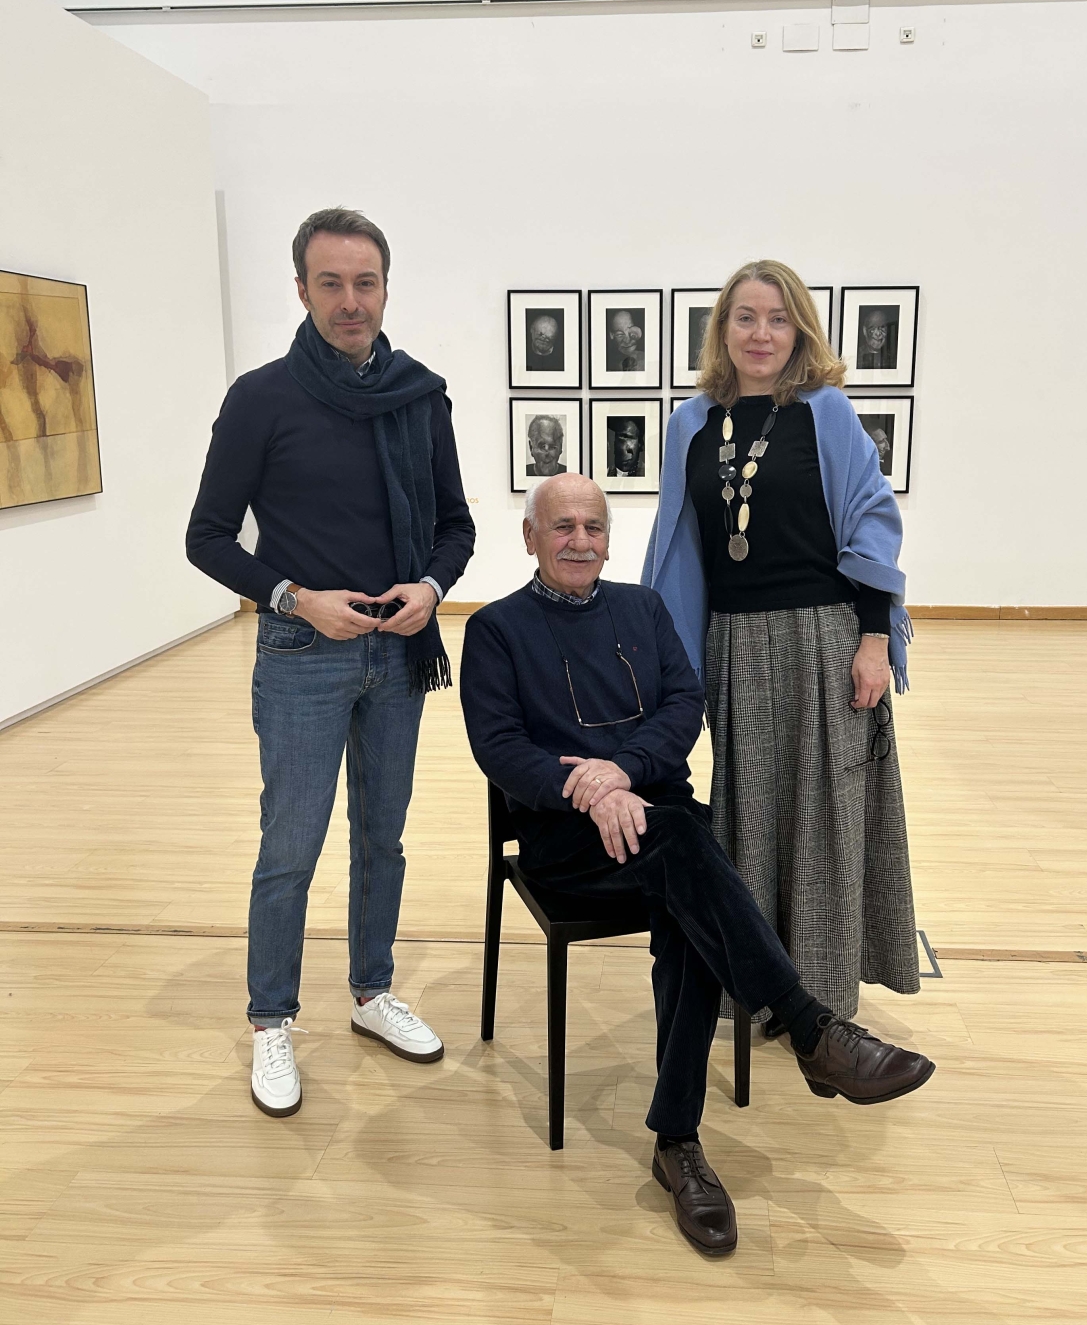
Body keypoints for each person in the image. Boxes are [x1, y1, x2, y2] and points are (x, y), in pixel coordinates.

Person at [460, 473, 933, 1257]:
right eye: (563, 527)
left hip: (660, 822)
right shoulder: (495, 629)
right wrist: (589, 792)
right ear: (531, 537)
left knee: (687, 882)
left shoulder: (642, 609)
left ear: (609, 538)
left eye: (593, 527)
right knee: (690, 849)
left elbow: (686, 705)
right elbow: (500, 747)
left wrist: (623, 772)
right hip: (566, 843)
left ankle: (678, 1141)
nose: (580, 541)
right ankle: (809, 1029)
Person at [186, 206, 475, 1118]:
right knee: (290, 847)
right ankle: (272, 1019)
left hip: (398, 654)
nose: (351, 301)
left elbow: (456, 525)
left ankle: (370, 991)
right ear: (302, 289)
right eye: (331, 283)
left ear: (386, 287)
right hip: (302, 653)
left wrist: (431, 585)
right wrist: (294, 597)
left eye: (366, 282)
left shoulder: (420, 396)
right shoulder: (261, 398)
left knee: (382, 837)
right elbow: (207, 537)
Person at [643, 260, 920, 1027]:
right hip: (732, 644)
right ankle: (760, 988)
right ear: (723, 329)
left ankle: (823, 1003)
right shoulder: (691, 423)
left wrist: (874, 637)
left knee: (826, 816)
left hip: (823, 638)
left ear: (799, 330)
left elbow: (870, 522)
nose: (760, 333)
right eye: (746, 317)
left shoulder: (825, 412)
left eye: (777, 318)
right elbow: (677, 545)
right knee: (750, 819)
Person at [526, 413, 567, 477]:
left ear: (560, 447)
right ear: (531, 448)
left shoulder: (568, 474)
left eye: (552, 447)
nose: (547, 453)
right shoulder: (522, 473)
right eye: (542, 447)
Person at [857, 305, 897, 369]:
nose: (878, 333)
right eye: (872, 328)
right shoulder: (857, 356)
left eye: (882, 328)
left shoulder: (893, 357)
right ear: (865, 331)